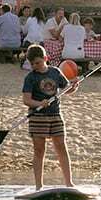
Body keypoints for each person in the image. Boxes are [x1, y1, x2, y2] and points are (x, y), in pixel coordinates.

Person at [20, 44, 77, 191]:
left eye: (38, 63)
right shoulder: (30, 77)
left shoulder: (55, 72)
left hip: (55, 115)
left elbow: (67, 89)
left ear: (46, 59)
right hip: (37, 117)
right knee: (39, 150)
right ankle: (39, 186)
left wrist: (74, 87)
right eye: (32, 64)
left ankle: (69, 183)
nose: (35, 66)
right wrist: (39, 103)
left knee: (61, 147)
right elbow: (27, 100)